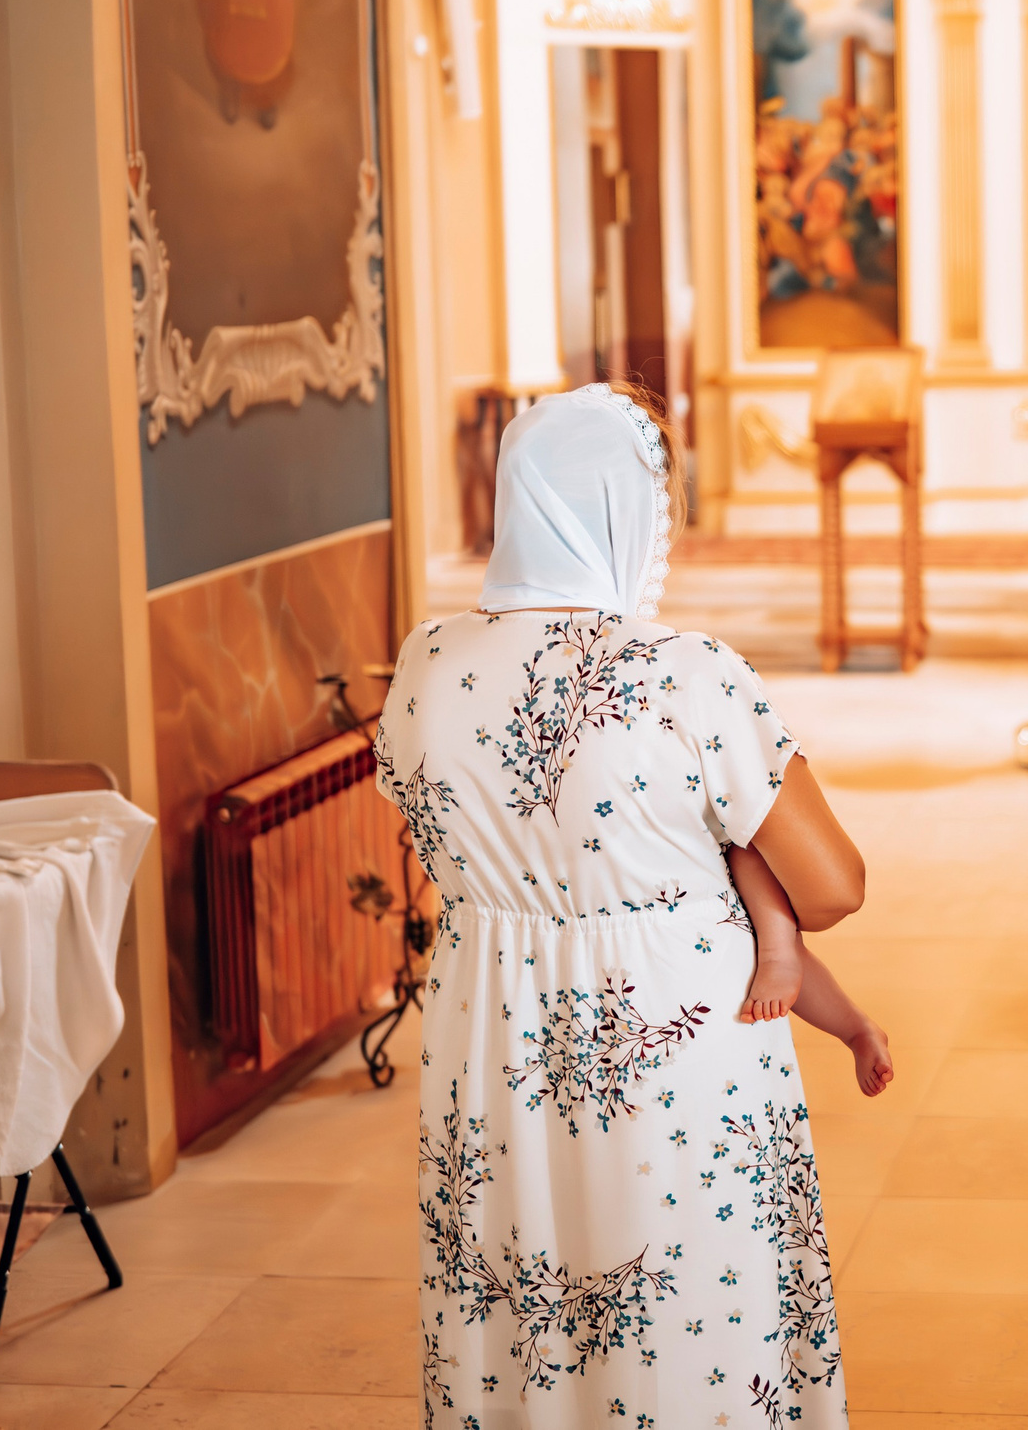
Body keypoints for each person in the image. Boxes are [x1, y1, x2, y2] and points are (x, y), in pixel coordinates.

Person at [375, 380, 875, 1429]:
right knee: (687, 1314)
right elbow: (834, 888)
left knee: (519, 1307)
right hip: (674, 1053)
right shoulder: (685, 676)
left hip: (491, 1049)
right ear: (628, 514)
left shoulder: (422, 671)